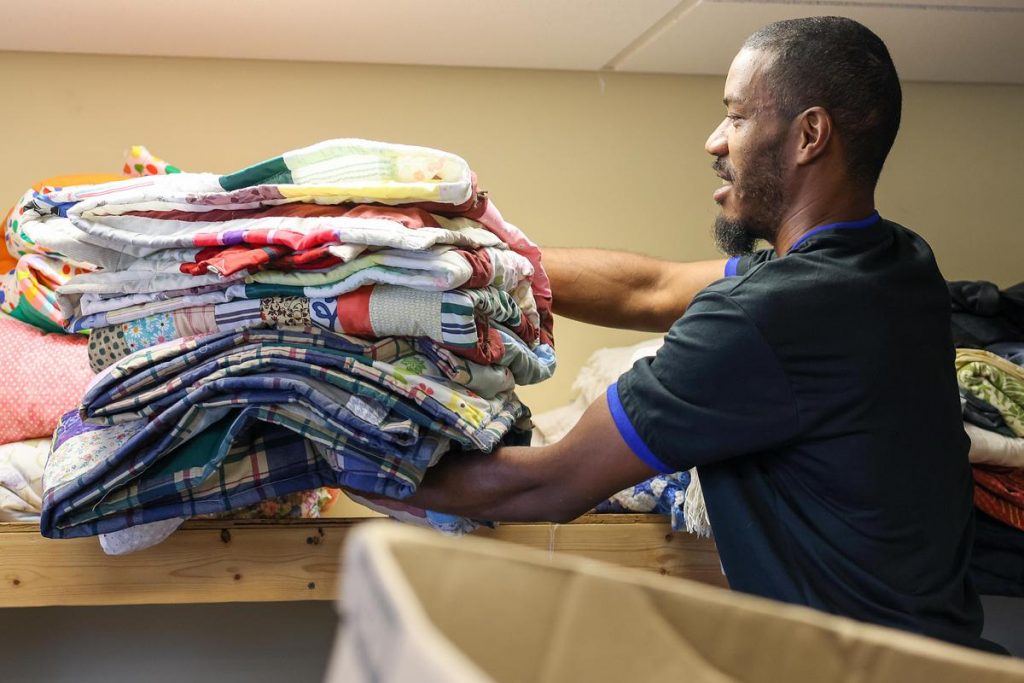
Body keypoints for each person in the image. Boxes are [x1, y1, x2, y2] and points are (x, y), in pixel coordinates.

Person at [396, 17, 999, 652]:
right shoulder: (898, 261)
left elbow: (551, 482)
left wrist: (345, 455)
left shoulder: (765, 316)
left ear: (809, 135)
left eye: (736, 116)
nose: (715, 140)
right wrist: (473, 262)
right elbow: (649, 289)